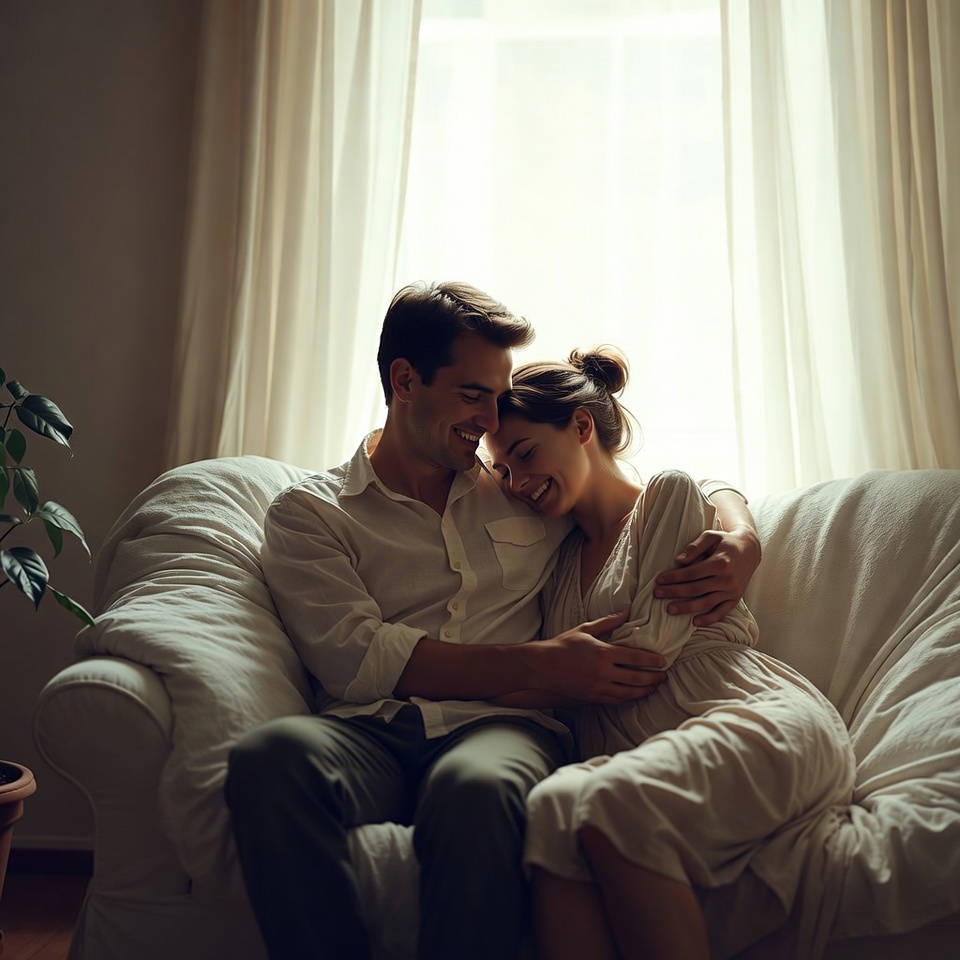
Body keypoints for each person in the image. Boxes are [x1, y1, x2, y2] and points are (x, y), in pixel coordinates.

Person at [224, 282, 762, 960]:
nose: (488, 418)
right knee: (265, 760)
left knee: (477, 789)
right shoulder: (312, 513)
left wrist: (742, 533)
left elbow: (650, 493)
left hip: (502, 728)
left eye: (498, 395)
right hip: (369, 730)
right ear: (405, 380)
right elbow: (355, 658)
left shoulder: (523, 492)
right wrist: (540, 664)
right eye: (473, 394)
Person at [486, 348, 856, 960]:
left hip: (753, 718)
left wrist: (522, 675)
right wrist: (530, 673)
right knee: (551, 806)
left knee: (609, 803)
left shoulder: (667, 497)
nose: (517, 483)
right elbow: (564, 678)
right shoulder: (555, 573)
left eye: (524, 454)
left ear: (581, 427)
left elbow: (641, 658)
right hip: (650, 761)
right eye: (502, 471)